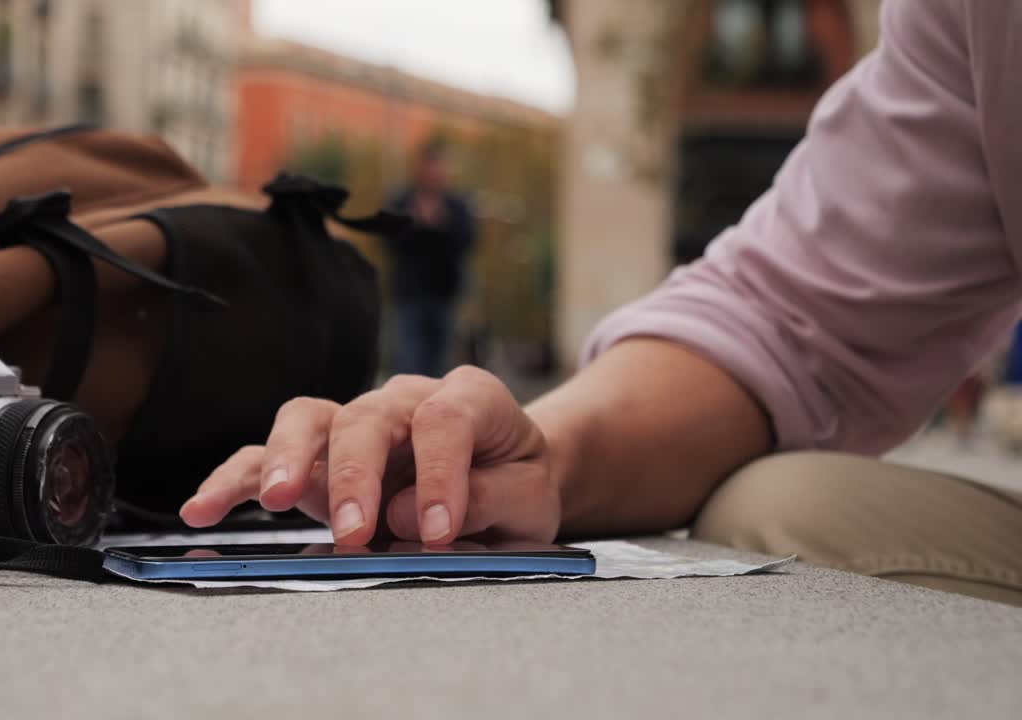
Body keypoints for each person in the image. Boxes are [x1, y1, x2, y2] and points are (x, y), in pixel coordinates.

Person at [181, 0, 1022, 605]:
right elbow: (790, 319)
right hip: (425, 302)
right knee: (782, 508)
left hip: (434, 299)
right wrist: (540, 454)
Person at [383, 141, 477, 377]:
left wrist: (441, 224)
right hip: (409, 296)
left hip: (444, 297)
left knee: (439, 368)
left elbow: (468, 242)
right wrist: (415, 224)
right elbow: (388, 242)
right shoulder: (401, 201)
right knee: (408, 365)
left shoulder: (456, 206)